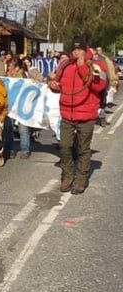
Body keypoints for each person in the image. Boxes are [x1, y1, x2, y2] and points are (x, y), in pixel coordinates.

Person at [48, 37, 107, 195]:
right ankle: (67, 175)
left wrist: (82, 67)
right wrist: (53, 86)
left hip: (86, 115)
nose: (76, 52)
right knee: (65, 146)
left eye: (80, 49)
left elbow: (99, 86)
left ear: (85, 49)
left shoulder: (96, 65)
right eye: (74, 49)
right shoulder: (65, 64)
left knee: (83, 149)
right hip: (67, 113)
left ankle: (81, 179)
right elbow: (57, 82)